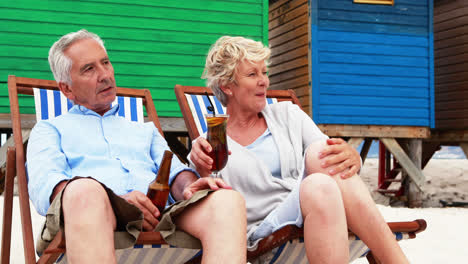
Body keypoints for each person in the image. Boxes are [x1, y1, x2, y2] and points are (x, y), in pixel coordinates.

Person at [26, 29, 247, 264]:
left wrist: (189, 188)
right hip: (89, 217)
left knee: (227, 201)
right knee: (83, 191)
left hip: (156, 217)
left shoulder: (144, 130)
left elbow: (172, 173)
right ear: (66, 89)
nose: (105, 75)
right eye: (89, 69)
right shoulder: (50, 129)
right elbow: (48, 188)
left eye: (105, 63)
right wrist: (116, 201)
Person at [190, 36, 409, 263]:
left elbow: (336, 165)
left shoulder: (287, 114)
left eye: (264, 72)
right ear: (227, 86)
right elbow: (207, 204)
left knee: (321, 160)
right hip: (263, 229)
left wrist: (353, 157)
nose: (264, 81)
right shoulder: (210, 145)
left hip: (316, 207)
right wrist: (201, 166)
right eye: (252, 74)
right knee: (319, 179)